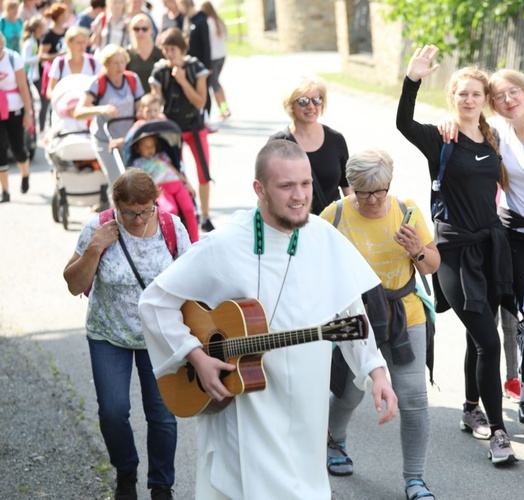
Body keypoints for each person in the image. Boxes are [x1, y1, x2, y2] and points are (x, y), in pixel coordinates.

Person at [138, 139, 398, 499]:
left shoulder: (323, 237)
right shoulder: (225, 244)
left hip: (307, 414)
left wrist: (377, 372)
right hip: (247, 411)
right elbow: (154, 303)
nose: (300, 195)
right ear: (259, 189)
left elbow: (350, 311)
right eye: (286, 186)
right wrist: (196, 356)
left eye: (305, 184)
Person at [396, 44, 516, 464]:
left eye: (475, 94)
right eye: (461, 94)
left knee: (478, 335)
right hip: (452, 250)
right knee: (488, 339)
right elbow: (403, 122)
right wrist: (412, 79)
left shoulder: (494, 136)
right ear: (452, 98)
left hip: (490, 246)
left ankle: (470, 408)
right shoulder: (440, 138)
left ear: (485, 100)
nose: (468, 100)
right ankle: (499, 432)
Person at [439, 68, 524, 437]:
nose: (507, 100)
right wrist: (448, 121)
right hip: (512, 235)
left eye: (513, 92)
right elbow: (465, 139)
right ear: (491, 103)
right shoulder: (495, 134)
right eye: (498, 96)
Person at [63, 168, 190, 500]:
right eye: (129, 212)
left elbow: (192, 281)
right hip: (108, 333)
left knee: (162, 415)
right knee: (113, 411)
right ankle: (126, 471)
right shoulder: (97, 228)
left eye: (145, 210)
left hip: (159, 337)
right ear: (115, 204)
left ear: (155, 203)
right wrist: (94, 249)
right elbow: (73, 284)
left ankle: (162, 484)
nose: (137, 219)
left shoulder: (171, 227)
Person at [321, 149, 439, 499]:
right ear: (351, 188)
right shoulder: (335, 214)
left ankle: (415, 478)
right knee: (349, 392)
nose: (372, 200)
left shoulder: (407, 210)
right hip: (355, 317)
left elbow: (431, 266)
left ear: (390, 185)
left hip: (405, 314)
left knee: (414, 397)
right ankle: (335, 439)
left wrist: (418, 249)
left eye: (379, 191)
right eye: (362, 192)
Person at [149, 27, 213, 231]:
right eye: (165, 49)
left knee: (204, 173)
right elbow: (156, 101)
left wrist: (183, 80)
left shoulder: (196, 68)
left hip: (194, 127)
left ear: (182, 49)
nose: (169, 54)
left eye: (172, 49)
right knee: (178, 174)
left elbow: (200, 101)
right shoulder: (159, 71)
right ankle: (185, 214)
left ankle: (205, 215)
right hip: (171, 131)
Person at [268, 76, 352, 215]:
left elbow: (347, 188)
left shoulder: (336, 139)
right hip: (292, 225)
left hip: (330, 224)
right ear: (291, 105)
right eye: (303, 101)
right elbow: (267, 190)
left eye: (316, 100)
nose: (311, 106)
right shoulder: (278, 143)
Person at [73, 44, 145, 191]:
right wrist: (101, 109)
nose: (120, 67)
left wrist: (143, 113)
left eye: (122, 62)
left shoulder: (132, 79)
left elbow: (140, 105)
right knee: (117, 181)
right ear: (106, 65)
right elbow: (78, 112)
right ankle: (115, 211)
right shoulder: (98, 83)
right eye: (115, 63)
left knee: (134, 180)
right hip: (106, 139)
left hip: (128, 139)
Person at [131, 133, 199, 242]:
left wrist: (186, 183)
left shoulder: (162, 155)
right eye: (146, 147)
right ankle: (175, 242)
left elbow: (175, 170)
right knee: (171, 212)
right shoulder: (138, 163)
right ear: (138, 149)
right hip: (160, 189)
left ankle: (195, 240)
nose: (150, 149)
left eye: (152, 146)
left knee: (189, 209)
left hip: (177, 184)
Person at [0, 32, 34, 203]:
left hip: (15, 109)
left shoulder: (13, 58)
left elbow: (23, 87)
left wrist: (28, 113)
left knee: (18, 149)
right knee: (0, 150)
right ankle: (5, 191)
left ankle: (25, 174)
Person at [46, 26, 100, 97]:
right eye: (78, 42)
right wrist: (60, 99)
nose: (82, 46)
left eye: (84, 42)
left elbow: (100, 87)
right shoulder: (59, 62)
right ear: (68, 43)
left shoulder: (93, 61)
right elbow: (50, 90)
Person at [38, 2, 68, 132]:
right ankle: (48, 128)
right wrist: (57, 55)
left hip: (66, 70)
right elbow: (41, 55)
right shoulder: (48, 34)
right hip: (53, 71)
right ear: (60, 16)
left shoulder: (67, 31)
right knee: (51, 101)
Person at [200, 0, 229, 119]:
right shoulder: (219, 21)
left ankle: (223, 110)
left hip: (213, 58)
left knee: (214, 85)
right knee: (217, 82)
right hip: (222, 55)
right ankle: (225, 107)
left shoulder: (207, 23)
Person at [126, 13, 159, 93]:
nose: (140, 32)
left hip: (156, 101)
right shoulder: (127, 54)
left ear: (151, 30)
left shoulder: (160, 52)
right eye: (136, 29)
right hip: (135, 101)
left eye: (144, 29)